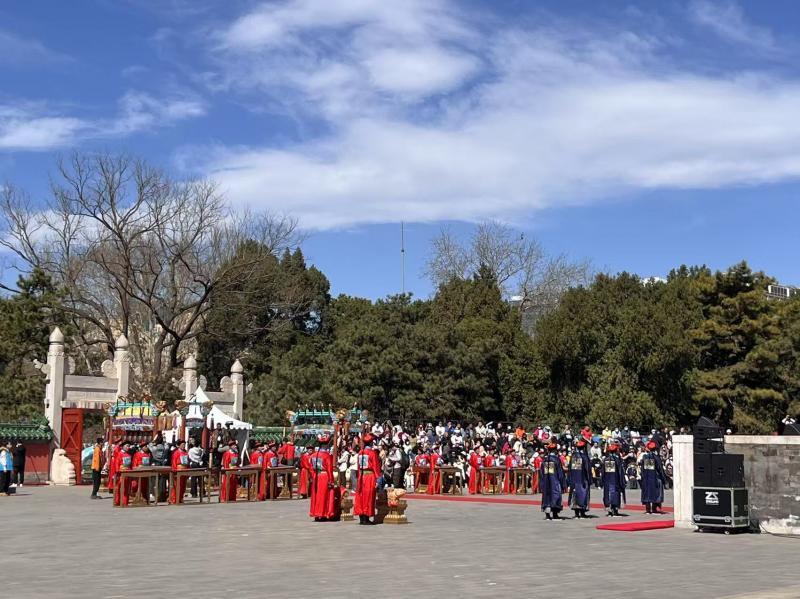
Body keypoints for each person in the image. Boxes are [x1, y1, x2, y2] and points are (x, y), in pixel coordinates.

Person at [354, 433, 381, 525]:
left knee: (360, 496)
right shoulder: (372, 453)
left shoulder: (360, 453)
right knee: (368, 496)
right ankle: (366, 517)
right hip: (369, 476)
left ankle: (361, 517)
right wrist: (378, 479)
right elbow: (376, 467)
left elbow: (358, 466)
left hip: (361, 476)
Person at [308, 434, 336, 521]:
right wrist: (331, 480)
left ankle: (316, 513)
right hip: (324, 476)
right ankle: (322, 513)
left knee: (316, 495)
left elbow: (311, 468)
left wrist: (313, 476)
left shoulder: (313, 455)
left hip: (316, 476)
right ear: (326, 445)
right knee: (323, 496)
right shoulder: (327, 456)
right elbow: (329, 469)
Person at [539, 441, 567, 520]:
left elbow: (541, 473)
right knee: (555, 496)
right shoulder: (556, 460)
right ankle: (555, 514)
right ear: (555, 450)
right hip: (554, 481)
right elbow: (560, 473)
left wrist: (541, 483)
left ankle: (547, 515)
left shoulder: (544, 460)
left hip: (546, 482)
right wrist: (563, 483)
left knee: (547, 497)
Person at [640, 440, 667, 514]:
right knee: (655, 493)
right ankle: (654, 508)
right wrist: (664, 480)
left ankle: (648, 509)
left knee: (647, 493)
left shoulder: (645, 457)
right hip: (655, 478)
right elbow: (660, 469)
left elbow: (642, 469)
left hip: (646, 478)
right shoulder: (656, 458)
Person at [568, 438, 591, 518]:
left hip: (574, 479)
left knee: (575, 495)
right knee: (583, 495)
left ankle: (576, 513)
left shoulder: (573, 457)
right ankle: (582, 512)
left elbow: (570, 469)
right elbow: (587, 469)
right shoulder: (584, 457)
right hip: (583, 479)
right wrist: (589, 479)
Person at [602, 443, 626, 517]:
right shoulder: (617, 460)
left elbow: (603, 472)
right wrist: (622, 482)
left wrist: (602, 481)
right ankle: (614, 511)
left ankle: (609, 511)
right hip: (615, 481)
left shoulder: (605, 460)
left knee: (607, 495)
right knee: (615, 495)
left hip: (607, 481)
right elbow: (620, 472)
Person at [113, 442, 133, 506]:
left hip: (128, 472)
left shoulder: (129, 454)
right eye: (127, 446)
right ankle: (118, 501)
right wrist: (117, 472)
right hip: (122, 473)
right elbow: (116, 464)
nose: (128, 447)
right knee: (120, 487)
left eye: (129, 446)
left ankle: (125, 502)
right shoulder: (119, 454)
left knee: (127, 488)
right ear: (123, 447)